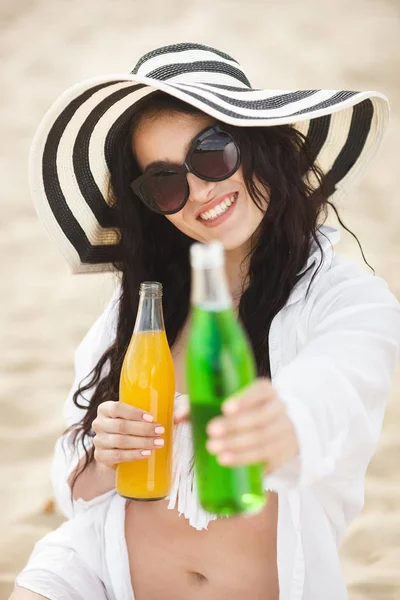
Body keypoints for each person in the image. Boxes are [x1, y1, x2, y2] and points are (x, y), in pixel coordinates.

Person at [11, 42, 400, 600]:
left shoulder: (347, 299)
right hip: (97, 575)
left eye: (213, 152)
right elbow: (74, 485)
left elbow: (338, 389)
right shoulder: (140, 312)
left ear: (259, 143)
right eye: (165, 181)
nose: (199, 190)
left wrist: (280, 421)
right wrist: (102, 455)